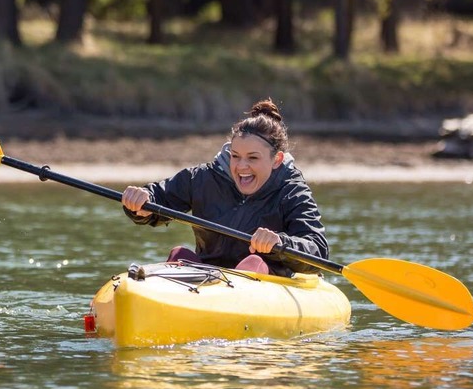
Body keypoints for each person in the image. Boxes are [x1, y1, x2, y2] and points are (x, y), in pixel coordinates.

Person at [120, 98, 327, 277]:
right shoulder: (203, 178)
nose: (241, 166)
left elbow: (317, 249)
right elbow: (157, 198)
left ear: (277, 159)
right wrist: (140, 202)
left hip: (264, 281)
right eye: (235, 156)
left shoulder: (292, 191)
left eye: (252, 158)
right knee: (179, 255)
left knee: (253, 265)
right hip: (204, 280)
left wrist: (280, 244)